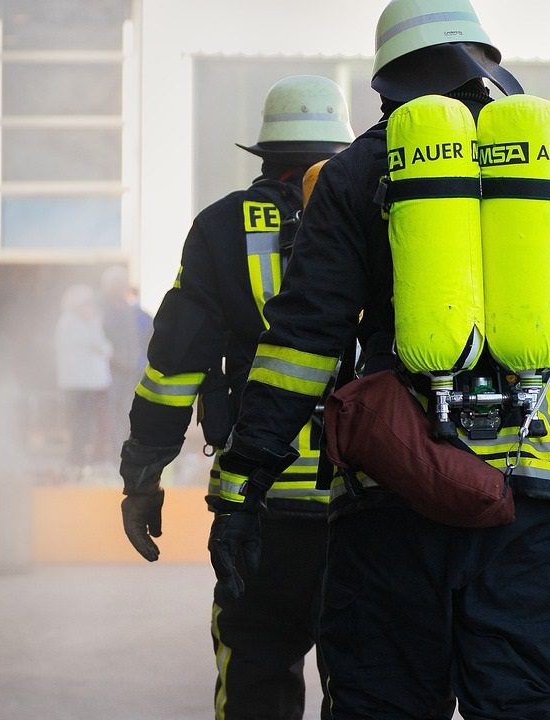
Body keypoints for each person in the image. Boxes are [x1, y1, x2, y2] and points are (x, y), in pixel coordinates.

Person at [203, 2, 550, 717]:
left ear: (387, 80)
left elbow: (303, 341)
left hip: (394, 489)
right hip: (531, 490)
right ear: (485, 63)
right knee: (524, 705)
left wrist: (244, 482)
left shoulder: (357, 172)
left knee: (382, 704)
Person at [118, 75, 353, 719]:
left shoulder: (220, 228)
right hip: (365, 498)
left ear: (265, 153)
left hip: (260, 500)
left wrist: (144, 471)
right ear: (341, 146)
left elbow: (175, 363)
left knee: (255, 674)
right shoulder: (382, 216)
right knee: (369, 685)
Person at [57, 284, 113, 471]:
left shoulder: (77, 323)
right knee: (82, 425)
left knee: (84, 424)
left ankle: (80, 459)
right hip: (83, 385)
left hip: (87, 384)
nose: (92, 308)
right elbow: (103, 348)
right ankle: (78, 460)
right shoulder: (75, 324)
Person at [100, 266, 145, 460]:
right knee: (109, 414)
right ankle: (111, 455)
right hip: (110, 371)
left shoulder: (129, 310)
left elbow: (135, 339)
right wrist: (116, 359)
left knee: (126, 413)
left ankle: (124, 453)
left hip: (129, 371)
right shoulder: (103, 310)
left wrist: (133, 361)